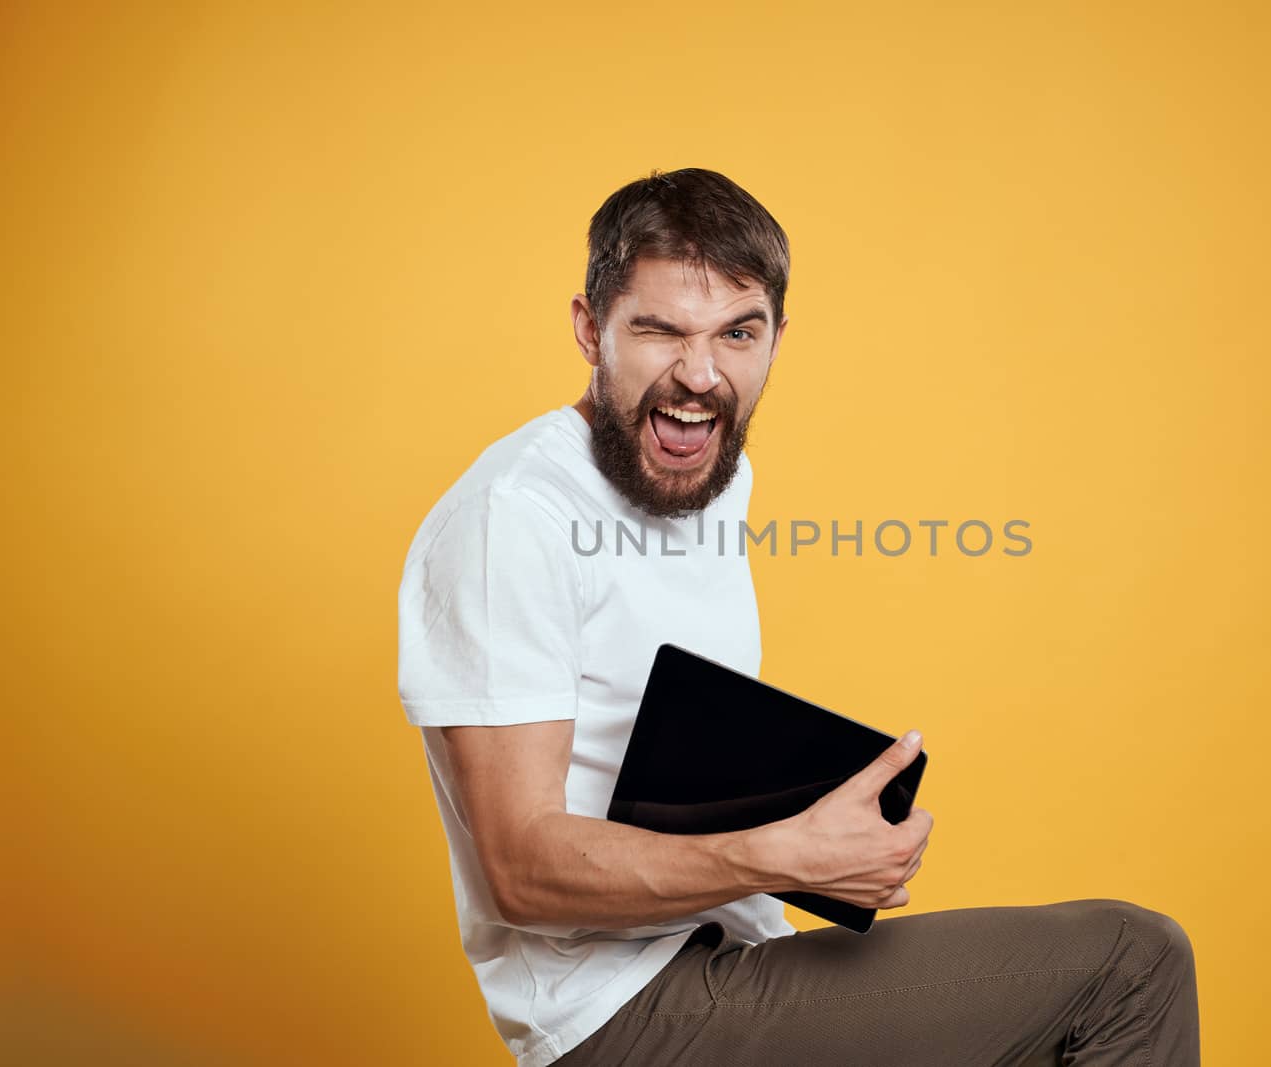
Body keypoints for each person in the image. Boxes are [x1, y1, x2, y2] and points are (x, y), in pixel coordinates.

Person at [397, 168, 1200, 1066]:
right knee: (1133, 962)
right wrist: (785, 854)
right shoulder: (516, 516)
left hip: (742, 952)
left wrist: (812, 829)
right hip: (620, 1013)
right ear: (591, 329)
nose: (699, 375)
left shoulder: (711, 474)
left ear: (777, 337)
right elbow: (520, 868)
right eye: (658, 329)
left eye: (737, 333)